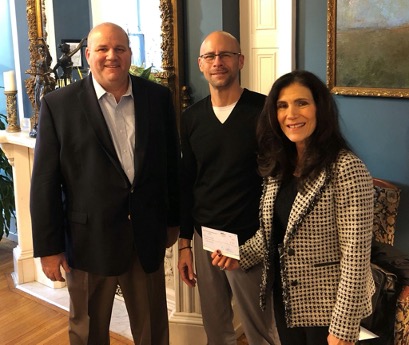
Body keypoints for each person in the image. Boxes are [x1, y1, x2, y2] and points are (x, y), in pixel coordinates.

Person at [30, 22, 180, 345]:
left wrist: (172, 222)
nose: (112, 56)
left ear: (129, 54)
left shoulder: (157, 98)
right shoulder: (58, 106)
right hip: (87, 243)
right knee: (87, 334)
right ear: (88, 56)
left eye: (120, 49)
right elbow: (44, 182)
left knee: (152, 332)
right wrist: (49, 248)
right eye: (102, 49)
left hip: (144, 239)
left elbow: (170, 167)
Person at [211, 70, 376, 345]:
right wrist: (240, 256)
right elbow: (272, 235)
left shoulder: (346, 168)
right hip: (286, 300)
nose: (291, 114)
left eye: (302, 103)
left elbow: (356, 256)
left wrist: (343, 327)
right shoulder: (279, 166)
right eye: (282, 105)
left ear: (319, 109)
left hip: (330, 309)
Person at [177, 30, 280, 345]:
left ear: (241, 61)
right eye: (210, 56)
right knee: (217, 330)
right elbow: (186, 181)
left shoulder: (265, 112)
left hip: (249, 239)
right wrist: (184, 243)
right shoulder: (191, 118)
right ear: (201, 64)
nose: (217, 62)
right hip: (205, 237)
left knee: (261, 331)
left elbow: (276, 182)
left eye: (226, 55)